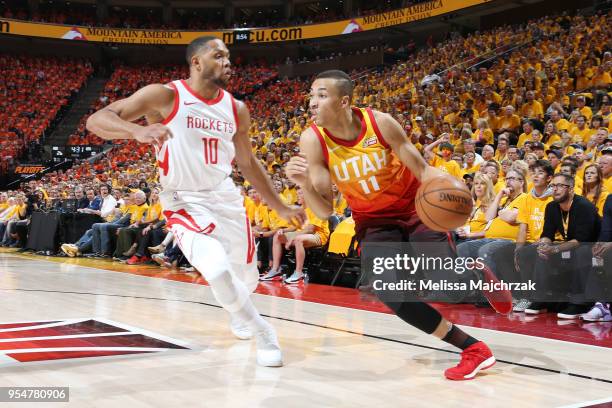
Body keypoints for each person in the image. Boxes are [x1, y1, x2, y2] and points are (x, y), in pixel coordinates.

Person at [86, 36, 304, 367]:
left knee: (246, 281)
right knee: (216, 271)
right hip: (182, 200)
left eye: (229, 56)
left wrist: (280, 206)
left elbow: (248, 163)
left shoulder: (237, 109)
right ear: (196, 62)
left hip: (227, 199)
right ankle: (263, 332)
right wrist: (136, 132)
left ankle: (238, 311)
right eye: (218, 55)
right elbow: (97, 120)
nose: (227, 62)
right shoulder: (165, 95)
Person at [286, 70, 497, 381]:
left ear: (344, 101)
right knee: (391, 292)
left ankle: (477, 270)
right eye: (311, 96)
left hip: (415, 209)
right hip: (373, 222)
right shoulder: (312, 139)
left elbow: (422, 169)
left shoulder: (379, 123)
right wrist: (304, 184)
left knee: (446, 280)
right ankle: (473, 349)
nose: (312, 103)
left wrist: (450, 195)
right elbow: (325, 209)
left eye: (321, 95)